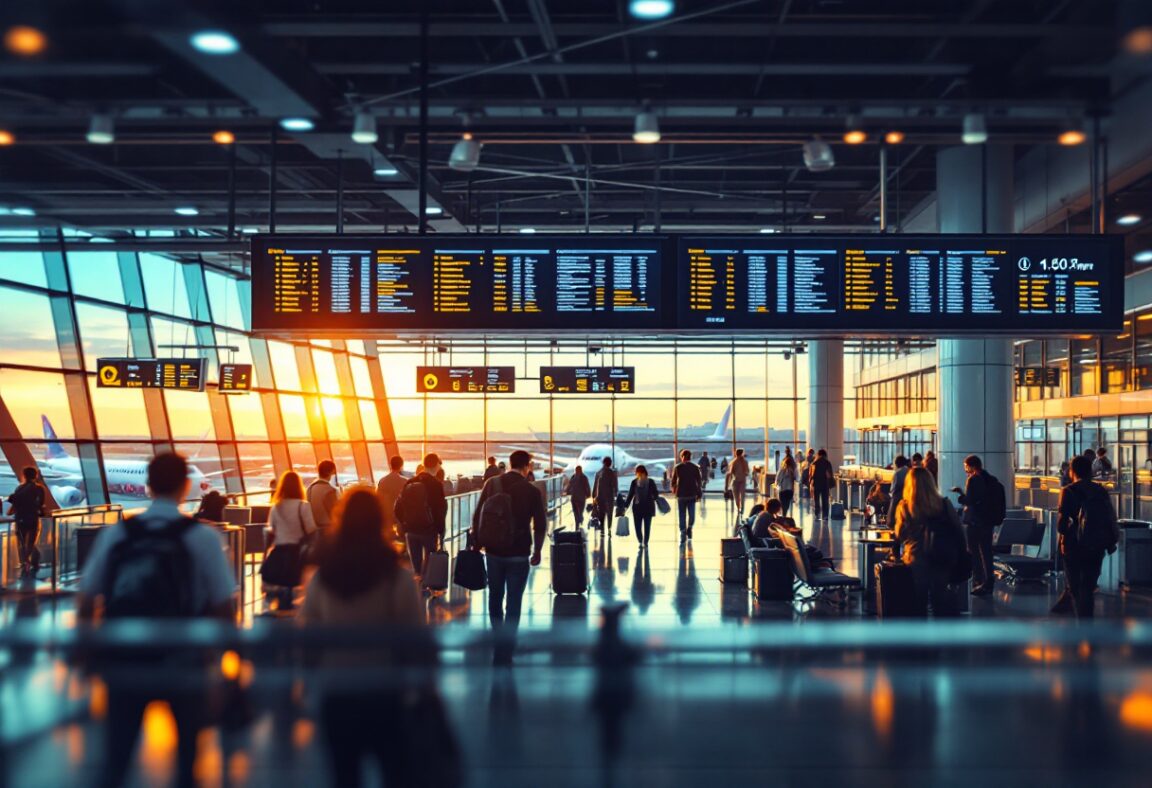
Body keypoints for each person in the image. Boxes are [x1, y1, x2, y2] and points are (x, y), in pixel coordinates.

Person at [77, 452, 234, 788]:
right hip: (184, 659)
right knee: (187, 761)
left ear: (148, 486)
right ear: (185, 486)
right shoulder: (203, 538)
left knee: (116, 758)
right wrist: (224, 665)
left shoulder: (119, 534)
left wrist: (88, 652)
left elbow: (87, 597)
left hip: (124, 657)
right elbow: (224, 605)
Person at [299, 488, 441, 787]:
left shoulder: (324, 578)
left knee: (344, 775)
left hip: (337, 693)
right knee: (395, 772)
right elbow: (415, 639)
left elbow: (309, 637)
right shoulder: (396, 578)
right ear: (380, 522)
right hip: (386, 692)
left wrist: (308, 688)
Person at [471, 450, 547, 665]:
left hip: (493, 551)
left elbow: (477, 515)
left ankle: (498, 636)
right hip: (519, 554)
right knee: (514, 600)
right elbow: (540, 525)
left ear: (510, 463)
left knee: (495, 596)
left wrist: (477, 542)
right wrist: (538, 550)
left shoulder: (492, 484)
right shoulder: (531, 491)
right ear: (527, 466)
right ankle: (509, 642)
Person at [892, 467, 965, 618]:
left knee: (918, 602)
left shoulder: (904, 506)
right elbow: (958, 531)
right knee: (940, 599)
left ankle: (921, 636)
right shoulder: (944, 504)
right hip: (941, 556)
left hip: (915, 558)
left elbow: (900, 534)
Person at [1053, 454, 1119, 619]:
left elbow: (1062, 524)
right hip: (1096, 544)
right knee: (1088, 587)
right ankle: (1087, 622)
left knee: (1076, 586)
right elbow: (1110, 516)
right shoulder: (1100, 490)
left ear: (1072, 471)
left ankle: (1081, 623)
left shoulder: (1068, 491)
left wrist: (1063, 534)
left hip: (1073, 545)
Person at [263, 470, 317, 609]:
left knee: (282, 587)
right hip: (297, 553)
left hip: (279, 553)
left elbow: (272, 530)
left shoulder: (276, 507)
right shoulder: (303, 506)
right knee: (296, 587)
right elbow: (311, 529)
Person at [394, 452, 447, 578]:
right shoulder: (436, 485)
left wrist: (405, 523)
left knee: (416, 568)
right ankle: (428, 589)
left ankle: (418, 588)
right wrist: (440, 531)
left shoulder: (410, 481)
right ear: (436, 465)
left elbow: (397, 507)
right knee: (430, 564)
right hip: (428, 531)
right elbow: (440, 510)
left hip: (411, 530)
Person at [951, 454, 995, 596]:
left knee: (974, 553)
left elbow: (970, 501)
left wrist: (960, 496)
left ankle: (978, 581)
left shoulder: (973, 479)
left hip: (975, 523)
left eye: (966, 467)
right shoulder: (991, 479)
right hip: (988, 521)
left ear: (971, 466)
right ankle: (989, 581)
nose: (965, 471)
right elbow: (979, 499)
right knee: (987, 552)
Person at [6, 466, 45, 578]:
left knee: (22, 544)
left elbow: (15, 503)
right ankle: (33, 563)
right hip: (32, 517)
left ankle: (25, 564)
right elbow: (40, 504)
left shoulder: (19, 488)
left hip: (20, 518)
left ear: (24, 475)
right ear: (35, 475)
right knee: (31, 543)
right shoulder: (39, 488)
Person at [624, 465, 660, 549]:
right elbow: (656, 495)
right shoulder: (650, 482)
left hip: (638, 508)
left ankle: (641, 541)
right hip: (647, 507)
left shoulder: (635, 482)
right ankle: (644, 542)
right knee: (646, 526)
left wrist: (625, 506)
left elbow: (630, 495)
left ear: (638, 472)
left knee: (638, 526)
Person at [670, 449, 703, 544]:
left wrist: (674, 488)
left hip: (681, 494)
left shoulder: (678, 467)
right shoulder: (694, 467)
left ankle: (683, 531)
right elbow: (699, 481)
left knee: (682, 514)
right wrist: (698, 492)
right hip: (691, 494)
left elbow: (673, 481)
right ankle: (689, 528)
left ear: (682, 457)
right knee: (691, 515)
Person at [375, 455, 407, 536]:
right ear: (401, 465)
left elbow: (378, 499)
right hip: (401, 516)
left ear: (390, 465)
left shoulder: (382, 481)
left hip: (387, 515)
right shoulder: (405, 481)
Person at [308, 459, 340, 531]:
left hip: (314, 529)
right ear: (332, 471)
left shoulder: (310, 488)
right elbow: (335, 513)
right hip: (328, 530)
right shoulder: (331, 490)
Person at [808, 448, 835, 521]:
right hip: (824, 484)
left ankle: (817, 515)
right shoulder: (827, 463)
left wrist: (811, 484)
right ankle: (825, 516)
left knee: (816, 500)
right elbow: (829, 475)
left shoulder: (814, 463)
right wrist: (830, 483)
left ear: (818, 455)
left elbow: (810, 475)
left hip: (816, 484)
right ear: (825, 455)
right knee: (825, 500)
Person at [592, 457, 618, 530]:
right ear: (610, 463)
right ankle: (609, 528)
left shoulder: (598, 472)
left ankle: (602, 530)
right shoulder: (612, 473)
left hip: (600, 497)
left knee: (601, 514)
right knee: (610, 514)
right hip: (609, 497)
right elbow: (615, 485)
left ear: (603, 463)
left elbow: (595, 486)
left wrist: (593, 496)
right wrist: (615, 493)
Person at [727, 448, 751, 516]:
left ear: (736, 453)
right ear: (742, 453)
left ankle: (738, 508)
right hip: (742, 481)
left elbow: (731, 472)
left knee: (736, 496)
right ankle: (742, 508)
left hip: (735, 481)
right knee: (742, 496)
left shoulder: (733, 462)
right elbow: (747, 472)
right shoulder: (745, 462)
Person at [887, 455, 911, 522]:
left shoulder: (897, 473)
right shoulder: (910, 471)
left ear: (896, 464)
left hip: (898, 502)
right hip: (909, 501)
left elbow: (893, 490)